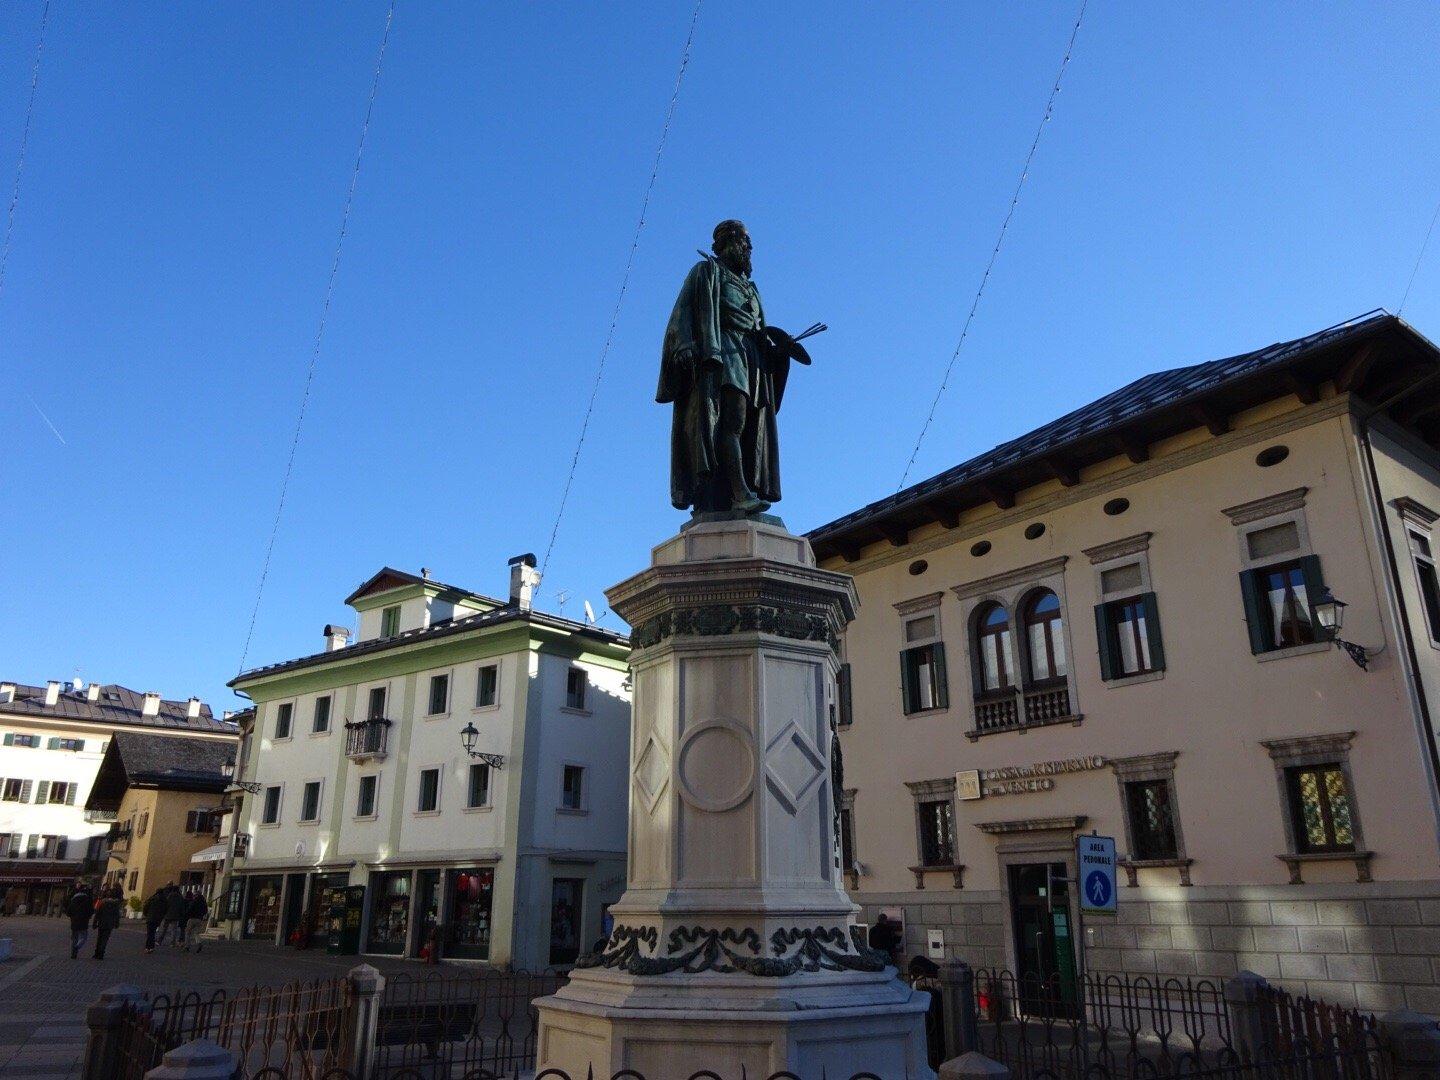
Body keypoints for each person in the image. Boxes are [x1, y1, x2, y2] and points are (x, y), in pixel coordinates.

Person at [92, 886, 122, 960]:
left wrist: (94, 923)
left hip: (101, 922)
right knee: (105, 939)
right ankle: (101, 953)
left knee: (99, 938)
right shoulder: (115, 904)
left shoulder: (102, 903)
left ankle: (97, 953)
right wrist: (117, 923)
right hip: (109, 924)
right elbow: (117, 915)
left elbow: (97, 914)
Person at [66, 882, 94, 959]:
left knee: (74, 938)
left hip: (74, 922)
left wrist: (72, 916)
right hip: (84, 922)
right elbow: (91, 911)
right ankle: (77, 947)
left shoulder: (73, 901)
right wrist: (88, 916)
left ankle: (73, 954)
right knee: (83, 937)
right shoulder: (88, 901)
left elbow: (68, 912)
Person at [142, 887, 167, 953]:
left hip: (150, 917)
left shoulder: (152, 898)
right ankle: (152, 947)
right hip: (158, 919)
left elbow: (146, 907)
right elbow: (165, 910)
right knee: (153, 932)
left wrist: (146, 914)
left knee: (149, 933)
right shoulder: (164, 900)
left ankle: (148, 947)